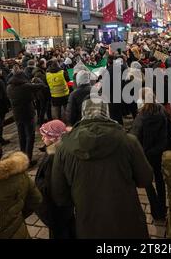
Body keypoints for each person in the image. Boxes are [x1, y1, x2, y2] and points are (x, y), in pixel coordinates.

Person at [51, 99, 153, 239]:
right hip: (128, 221)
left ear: (83, 114)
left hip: (89, 224)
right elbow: (145, 179)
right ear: (107, 113)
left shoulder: (63, 148)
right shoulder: (129, 141)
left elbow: (60, 195)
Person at [130, 88, 168, 220]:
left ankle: (156, 210)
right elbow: (168, 131)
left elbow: (134, 138)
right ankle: (163, 207)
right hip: (159, 152)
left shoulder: (141, 117)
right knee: (159, 178)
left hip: (145, 155)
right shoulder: (162, 111)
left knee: (147, 181)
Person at [35, 120, 75, 239]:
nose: (42, 139)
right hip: (66, 205)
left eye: (44, 136)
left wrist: (37, 184)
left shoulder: (52, 158)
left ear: (53, 138)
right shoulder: (65, 149)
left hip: (56, 208)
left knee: (59, 232)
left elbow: (49, 187)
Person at [7, 71, 46, 165]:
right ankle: (28, 159)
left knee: (21, 136)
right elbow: (42, 85)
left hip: (16, 114)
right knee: (30, 136)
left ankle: (22, 157)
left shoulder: (9, 87)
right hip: (27, 113)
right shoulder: (26, 86)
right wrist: (35, 81)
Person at [33, 59, 52, 126]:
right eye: (45, 63)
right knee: (44, 107)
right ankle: (43, 121)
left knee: (42, 107)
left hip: (40, 93)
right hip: (42, 93)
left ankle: (41, 120)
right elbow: (44, 83)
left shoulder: (38, 71)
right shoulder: (39, 73)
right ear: (42, 64)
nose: (45, 64)